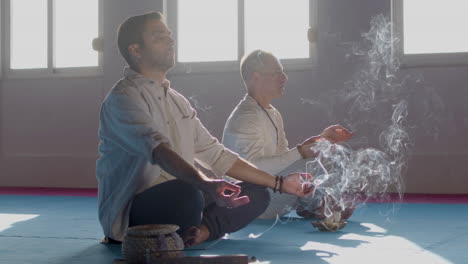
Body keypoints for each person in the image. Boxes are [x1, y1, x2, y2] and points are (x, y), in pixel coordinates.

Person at [96, 12, 314, 248]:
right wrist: (206, 184)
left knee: (257, 193)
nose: (171, 41)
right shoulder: (123, 97)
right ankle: (189, 223)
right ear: (136, 50)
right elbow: (158, 150)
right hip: (136, 210)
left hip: (189, 195)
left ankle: (201, 231)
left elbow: (217, 155)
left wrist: (279, 183)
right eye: (160, 37)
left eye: (169, 35)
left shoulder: (177, 101)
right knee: (187, 194)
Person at [222, 50, 353, 221]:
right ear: (256, 77)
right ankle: (317, 206)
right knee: (308, 164)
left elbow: (282, 160)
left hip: (269, 193)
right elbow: (250, 170)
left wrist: (320, 141)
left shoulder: (273, 113)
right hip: (249, 203)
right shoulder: (247, 116)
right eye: (277, 73)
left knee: (326, 155)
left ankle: (313, 205)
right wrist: (300, 152)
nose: (284, 78)